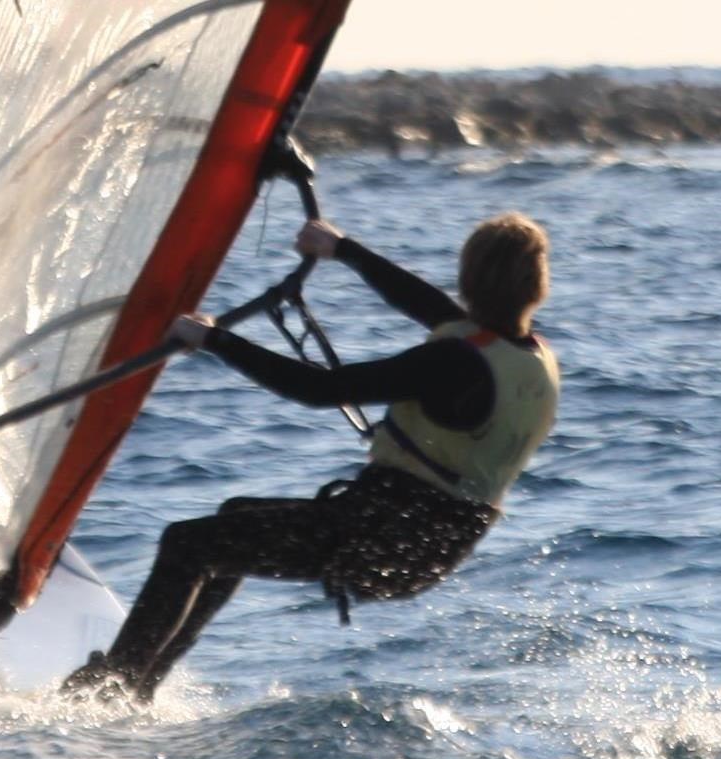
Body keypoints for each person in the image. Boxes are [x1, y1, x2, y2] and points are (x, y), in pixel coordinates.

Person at [62, 212, 561, 703]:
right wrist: (342, 249)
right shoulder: (528, 357)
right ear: (534, 287)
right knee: (233, 521)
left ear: (468, 279)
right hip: (428, 543)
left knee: (187, 544)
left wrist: (216, 340)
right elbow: (426, 303)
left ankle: (116, 686)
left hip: (384, 535)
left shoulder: (453, 361)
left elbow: (319, 388)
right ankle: (141, 682)